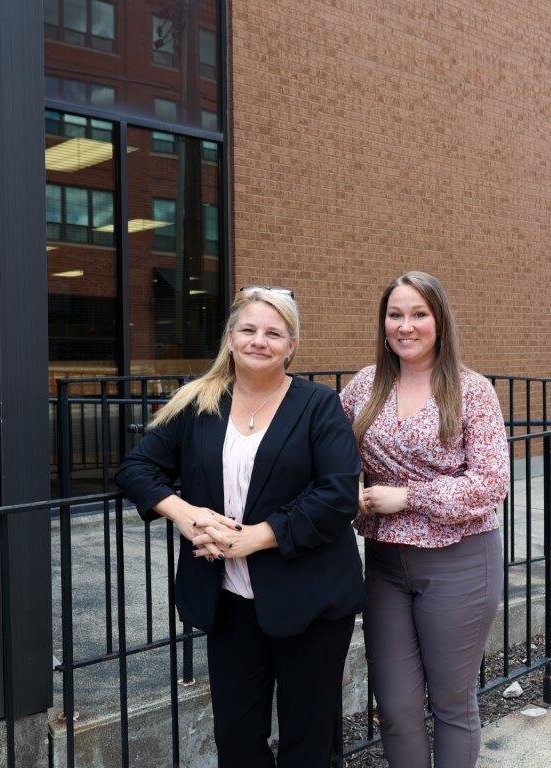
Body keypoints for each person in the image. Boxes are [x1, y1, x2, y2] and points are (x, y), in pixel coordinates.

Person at [115, 287, 364, 768]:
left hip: (309, 600)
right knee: (237, 740)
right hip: (229, 603)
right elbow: (135, 468)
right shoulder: (199, 403)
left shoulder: (318, 405)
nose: (259, 341)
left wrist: (255, 536)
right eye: (248, 329)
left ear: (291, 346)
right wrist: (189, 517)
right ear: (230, 338)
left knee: (309, 743)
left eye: (274, 333)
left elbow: (336, 494)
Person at [340, 271, 509, 768]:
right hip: (386, 565)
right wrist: (349, 483)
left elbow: (489, 484)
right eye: (395, 315)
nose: (405, 326)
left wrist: (408, 497)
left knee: (452, 705)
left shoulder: (471, 390)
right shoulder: (364, 385)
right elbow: (329, 449)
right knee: (394, 707)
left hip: (459, 561)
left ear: (439, 321)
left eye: (418, 314)